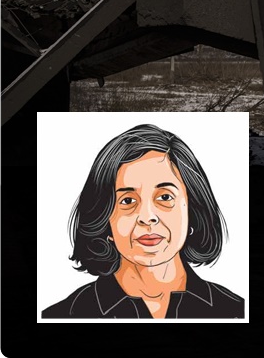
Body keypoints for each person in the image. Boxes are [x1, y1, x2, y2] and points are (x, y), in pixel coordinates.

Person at [42, 124, 245, 319]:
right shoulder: (62, 316)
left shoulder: (235, 312)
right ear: (103, 218)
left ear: (193, 209)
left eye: (165, 197)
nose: (147, 217)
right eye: (127, 201)